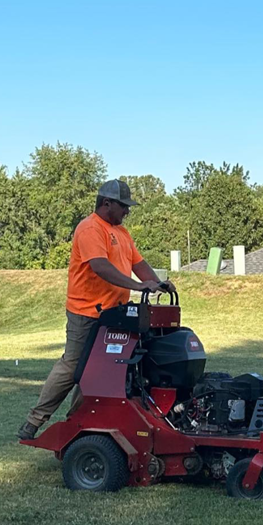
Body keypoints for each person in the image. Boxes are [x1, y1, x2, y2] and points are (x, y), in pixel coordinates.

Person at [17, 179, 175, 440]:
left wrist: (157, 284)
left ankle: (77, 424)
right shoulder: (90, 228)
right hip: (86, 312)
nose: (127, 211)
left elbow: (139, 263)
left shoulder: (122, 233)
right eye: (123, 206)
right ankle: (34, 421)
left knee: (99, 372)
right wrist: (138, 286)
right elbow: (99, 266)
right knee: (74, 366)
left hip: (115, 313)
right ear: (106, 204)